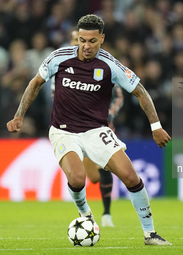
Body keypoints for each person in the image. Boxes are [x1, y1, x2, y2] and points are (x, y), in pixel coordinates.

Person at [7, 14, 172, 245]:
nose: (86, 46)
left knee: (130, 176)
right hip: (63, 131)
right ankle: (86, 215)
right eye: (82, 40)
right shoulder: (58, 58)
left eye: (92, 41)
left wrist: (156, 127)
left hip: (96, 130)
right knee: (77, 177)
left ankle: (150, 233)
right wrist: (18, 115)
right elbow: (35, 83)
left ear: (102, 39)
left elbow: (140, 91)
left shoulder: (109, 64)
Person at [51, 28, 123, 227]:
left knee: (104, 167)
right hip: (70, 129)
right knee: (88, 177)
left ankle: (107, 213)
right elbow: (55, 96)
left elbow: (119, 95)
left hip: (99, 126)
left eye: (82, 40)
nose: (80, 45)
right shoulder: (62, 65)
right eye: (76, 40)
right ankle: (84, 211)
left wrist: (108, 114)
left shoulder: (103, 65)